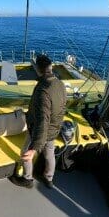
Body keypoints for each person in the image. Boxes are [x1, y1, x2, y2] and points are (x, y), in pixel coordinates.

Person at [9, 54, 67, 189]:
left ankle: (27, 179)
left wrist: (34, 148)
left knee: (25, 152)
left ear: (38, 69)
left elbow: (42, 121)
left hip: (38, 130)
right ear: (51, 67)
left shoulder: (43, 90)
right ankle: (49, 179)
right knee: (49, 154)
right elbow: (62, 106)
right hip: (54, 129)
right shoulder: (60, 83)